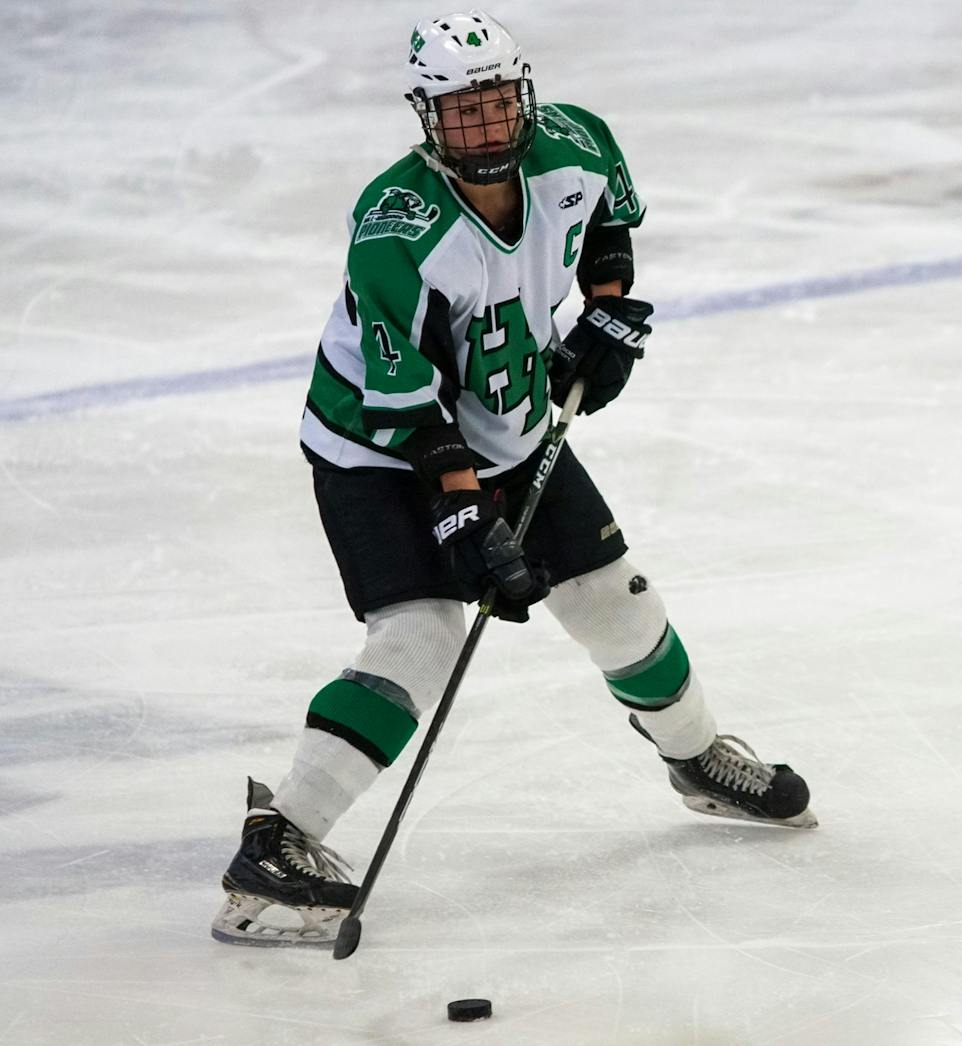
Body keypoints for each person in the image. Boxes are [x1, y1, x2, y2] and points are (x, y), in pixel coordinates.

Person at [211, 9, 815, 948]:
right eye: (462, 114)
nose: (485, 130)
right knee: (419, 638)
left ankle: (696, 761)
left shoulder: (573, 144)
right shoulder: (396, 229)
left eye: (497, 106)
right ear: (428, 120)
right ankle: (277, 842)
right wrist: (461, 516)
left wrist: (605, 315)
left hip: (514, 425)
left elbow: (606, 224)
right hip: (379, 448)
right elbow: (403, 396)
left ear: (522, 96)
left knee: (620, 604)